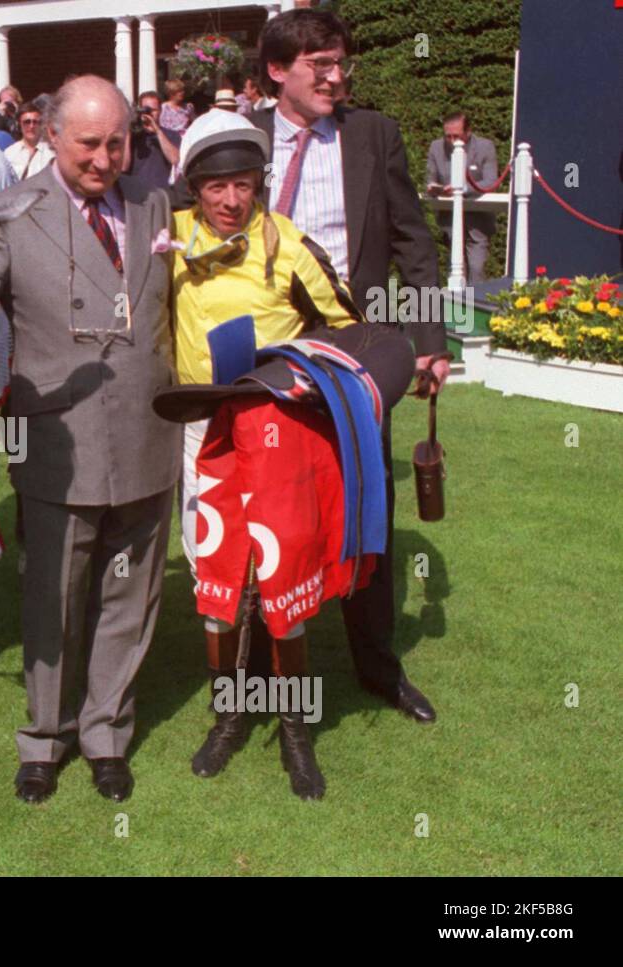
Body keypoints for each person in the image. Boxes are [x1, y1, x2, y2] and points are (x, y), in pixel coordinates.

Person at [0, 75, 180, 805]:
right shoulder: (4, 217)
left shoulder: (157, 205)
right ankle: (45, 737)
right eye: (88, 144)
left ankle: (106, 734)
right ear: (47, 133)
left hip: (149, 430)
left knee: (131, 595)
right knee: (53, 598)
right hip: (57, 443)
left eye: (117, 141)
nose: (103, 159)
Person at [252, 6, 445, 722]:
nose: (336, 77)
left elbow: (413, 244)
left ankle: (377, 665)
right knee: (267, 504)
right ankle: (258, 668)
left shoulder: (375, 135)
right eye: (319, 66)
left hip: (357, 344)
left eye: (341, 64)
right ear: (278, 71)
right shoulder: (242, 139)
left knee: (369, 503)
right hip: (263, 348)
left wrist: (428, 339)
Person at [170, 110, 367, 798]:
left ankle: (296, 730)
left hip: (276, 431)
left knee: (286, 588)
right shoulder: (170, 241)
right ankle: (229, 714)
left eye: (245, 183)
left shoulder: (287, 244)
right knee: (217, 590)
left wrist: (300, 373)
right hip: (201, 433)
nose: (231, 200)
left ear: (259, 182)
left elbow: (348, 328)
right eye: (217, 186)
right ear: (195, 185)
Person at [426, 111, 498, 283]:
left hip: (478, 220)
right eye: (448, 136)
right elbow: (430, 178)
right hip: (449, 220)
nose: (452, 141)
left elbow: (490, 181)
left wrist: (462, 188)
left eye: (456, 136)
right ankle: (456, 308)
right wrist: (434, 188)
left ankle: (476, 306)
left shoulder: (485, 147)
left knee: (476, 268)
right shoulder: (436, 147)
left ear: (468, 131)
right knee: (455, 270)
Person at [127, 90, 181, 190]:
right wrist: (129, 130)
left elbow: (175, 159)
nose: (149, 113)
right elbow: (123, 166)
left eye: (153, 110)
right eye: (145, 109)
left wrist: (157, 131)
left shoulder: (171, 135)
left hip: (160, 191)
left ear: (160, 111)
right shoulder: (131, 134)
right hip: (134, 191)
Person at [3, 98, 53, 180]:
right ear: (19, 124)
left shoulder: (51, 152)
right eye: (27, 122)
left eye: (35, 122)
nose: (31, 126)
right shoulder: (9, 153)